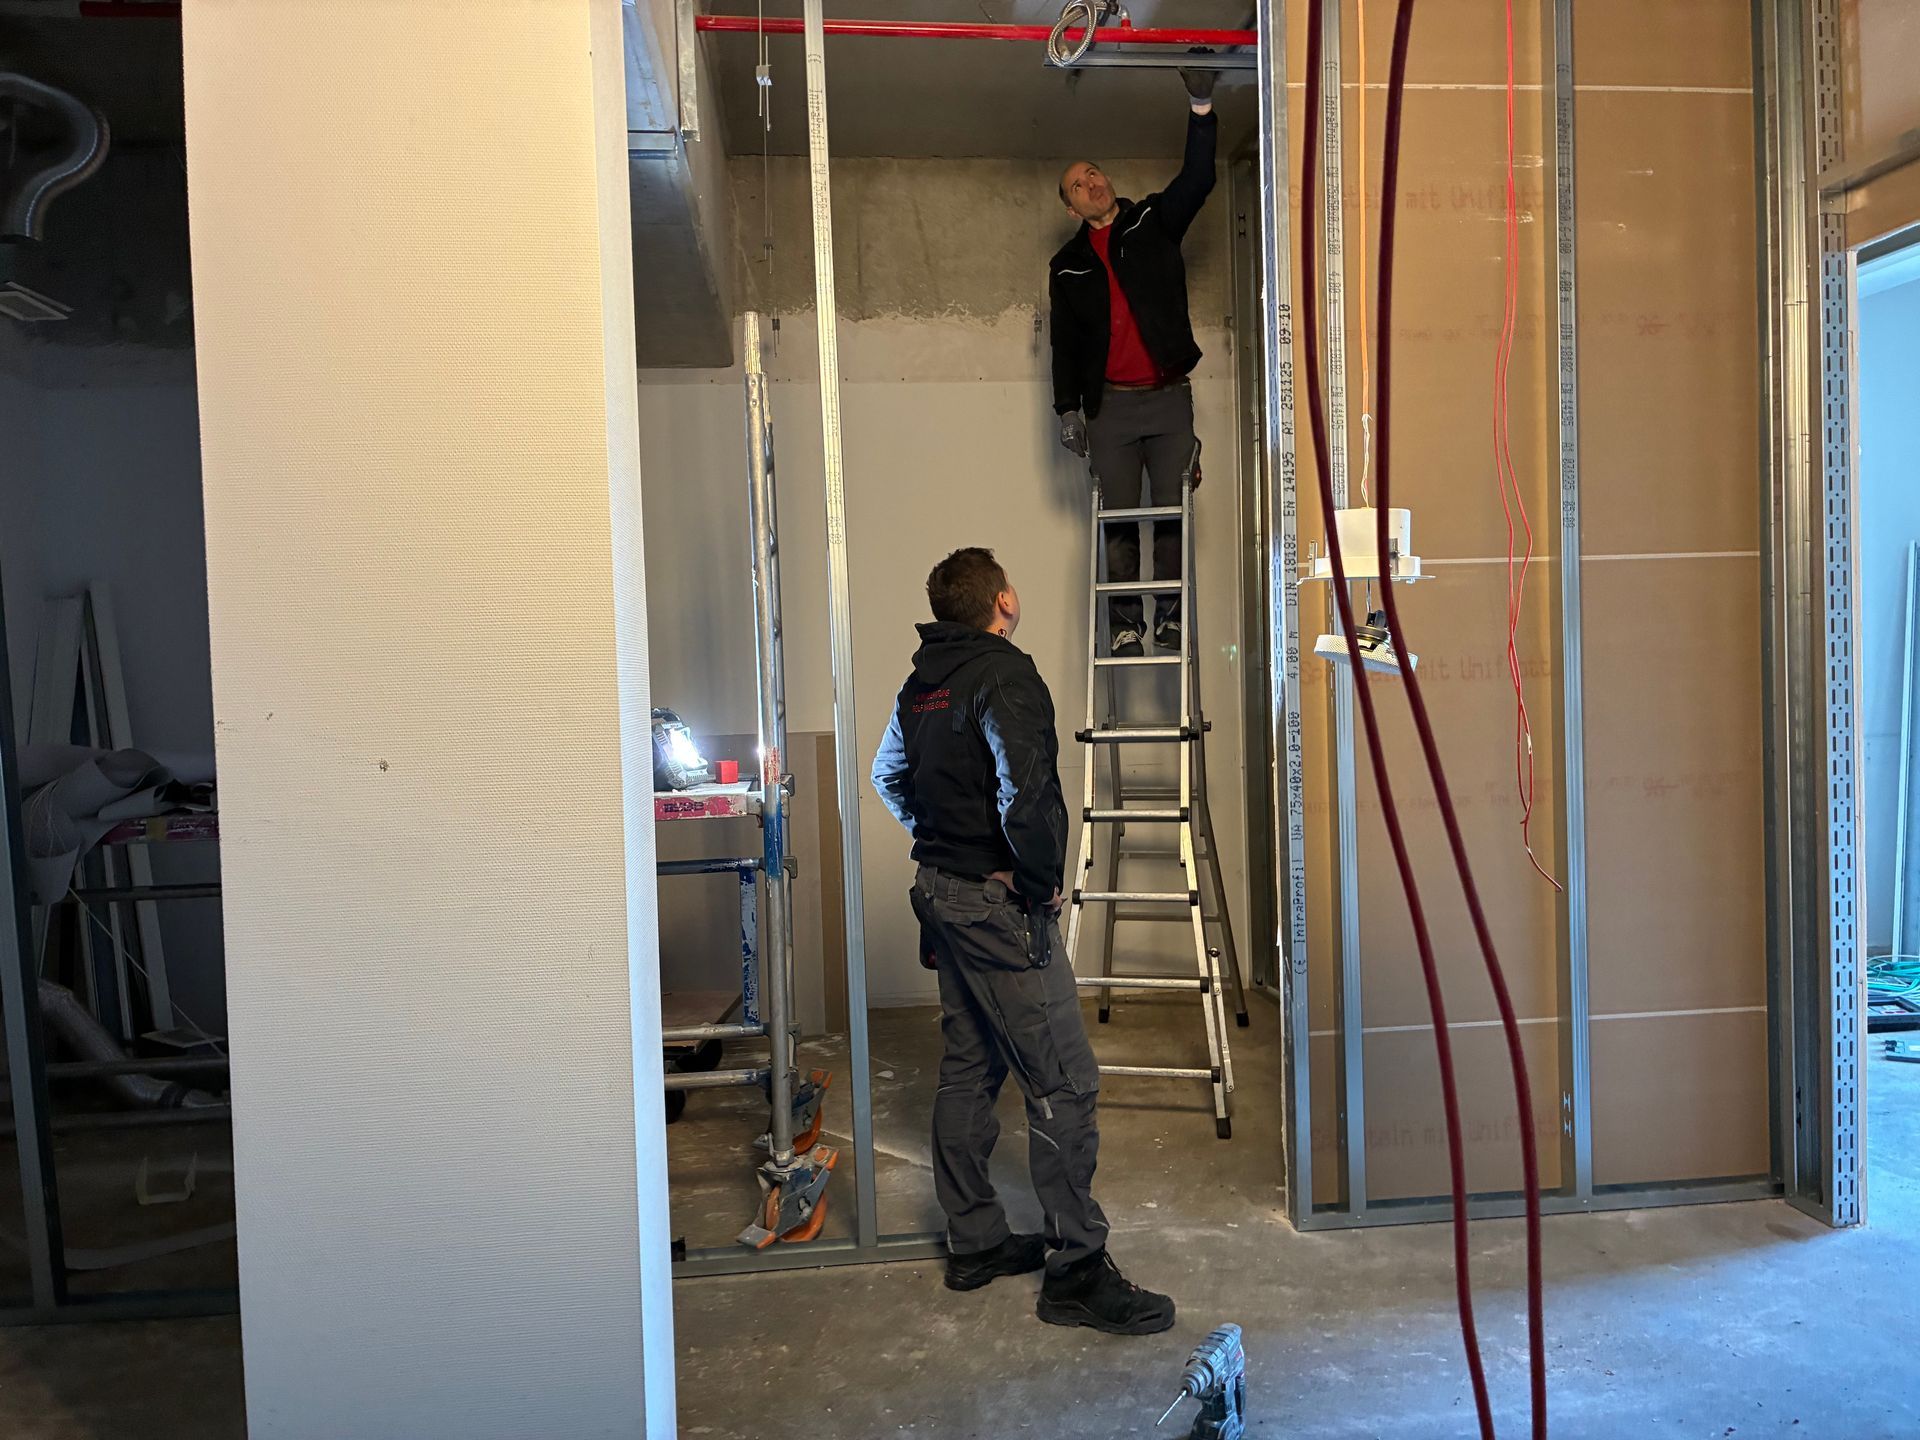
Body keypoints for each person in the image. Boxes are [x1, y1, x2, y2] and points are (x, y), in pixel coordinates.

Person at [870, 547, 1175, 1336]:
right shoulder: (1004, 673)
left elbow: (886, 776)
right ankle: (1077, 1271)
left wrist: (944, 847)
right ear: (1002, 600)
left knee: (970, 1066)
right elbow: (1027, 792)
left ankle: (974, 1242)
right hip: (993, 908)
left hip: (940, 896)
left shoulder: (921, 684)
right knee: (1065, 1082)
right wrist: (1035, 881)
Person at [1049, 62, 1218, 657]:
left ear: (1108, 180)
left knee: (1172, 513)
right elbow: (1065, 342)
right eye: (1077, 185)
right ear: (1072, 209)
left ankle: (1169, 619)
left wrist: (1200, 108)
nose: (1090, 183)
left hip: (1168, 400)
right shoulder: (1068, 266)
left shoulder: (1151, 221)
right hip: (1111, 410)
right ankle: (1124, 625)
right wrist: (1067, 410)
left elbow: (1197, 179)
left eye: (1093, 173)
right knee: (1118, 519)